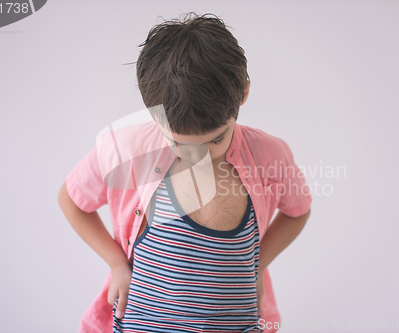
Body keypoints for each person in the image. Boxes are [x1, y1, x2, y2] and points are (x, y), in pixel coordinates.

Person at [58, 12, 312, 333]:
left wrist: (257, 266)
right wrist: (116, 263)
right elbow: (72, 200)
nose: (199, 155)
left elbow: (297, 211)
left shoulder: (269, 154)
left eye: (216, 139)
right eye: (179, 143)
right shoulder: (127, 147)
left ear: (244, 93)